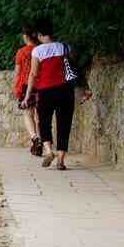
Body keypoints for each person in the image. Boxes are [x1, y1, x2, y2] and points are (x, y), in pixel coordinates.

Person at [22, 18, 91, 170]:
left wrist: (27, 96)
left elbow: (33, 74)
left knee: (44, 122)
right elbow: (75, 69)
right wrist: (84, 87)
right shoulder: (65, 47)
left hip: (45, 91)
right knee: (64, 124)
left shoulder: (37, 51)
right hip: (65, 90)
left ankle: (48, 151)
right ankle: (61, 160)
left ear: (39, 34)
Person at [13, 27, 41, 156]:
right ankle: (39, 141)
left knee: (28, 114)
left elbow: (18, 72)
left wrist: (15, 87)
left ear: (26, 36)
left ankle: (34, 137)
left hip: (25, 85)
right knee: (39, 115)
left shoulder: (21, 52)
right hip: (41, 84)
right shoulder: (40, 50)